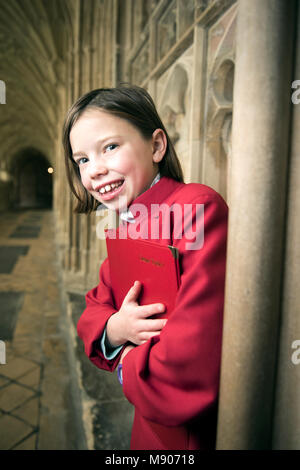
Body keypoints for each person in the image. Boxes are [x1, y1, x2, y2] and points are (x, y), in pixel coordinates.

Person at [62, 85, 228, 450]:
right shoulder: (127, 225)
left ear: (156, 146)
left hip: (186, 437)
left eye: (109, 147)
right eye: (82, 160)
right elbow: (93, 310)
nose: (95, 171)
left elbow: (191, 356)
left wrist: (124, 365)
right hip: (146, 428)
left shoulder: (196, 208)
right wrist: (116, 327)